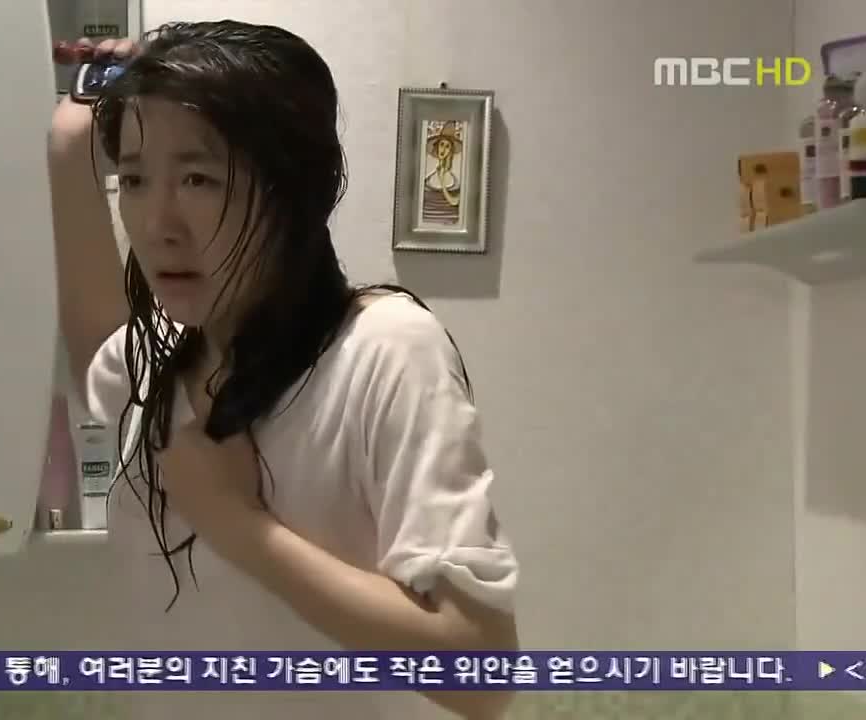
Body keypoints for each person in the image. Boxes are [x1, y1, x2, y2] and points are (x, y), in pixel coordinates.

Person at [47, 20, 520, 720]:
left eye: (199, 178)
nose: (157, 224)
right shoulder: (157, 359)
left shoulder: (382, 350)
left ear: (290, 188)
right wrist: (68, 148)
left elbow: (478, 672)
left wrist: (236, 524)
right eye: (136, 179)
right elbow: (99, 345)